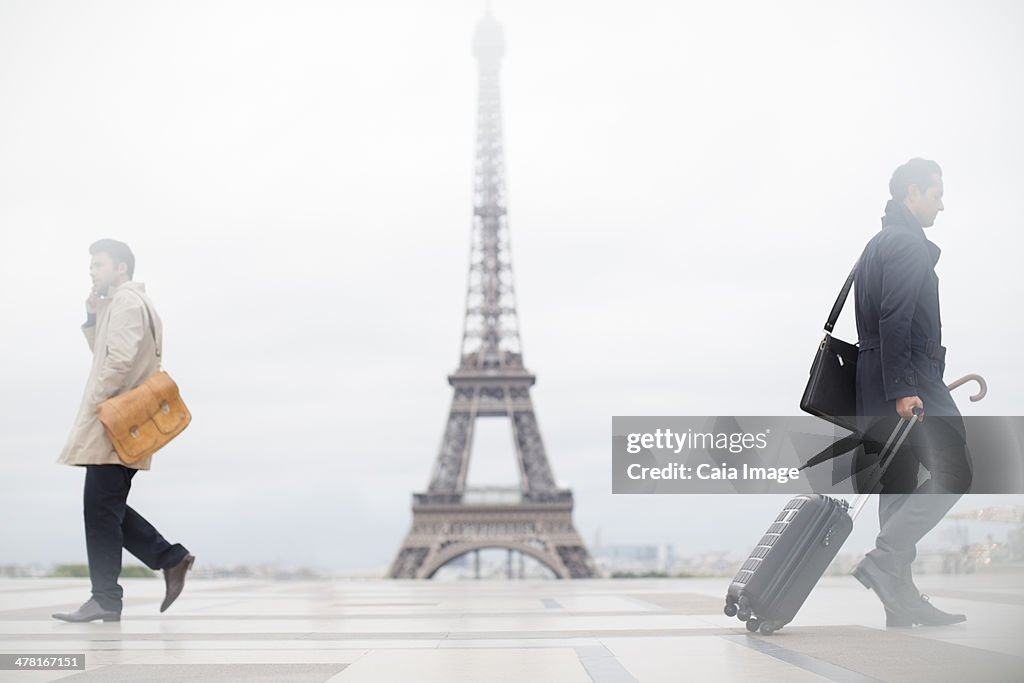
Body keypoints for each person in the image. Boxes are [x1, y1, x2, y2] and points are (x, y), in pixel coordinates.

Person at [851, 159, 972, 627]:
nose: (942, 204)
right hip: (909, 378)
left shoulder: (877, 244)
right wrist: (905, 388)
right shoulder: (905, 244)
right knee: (956, 470)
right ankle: (884, 561)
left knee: (899, 486)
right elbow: (895, 316)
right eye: (936, 194)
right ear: (912, 194)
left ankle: (898, 604)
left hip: (876, 379)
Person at [52, 239, 194, 623]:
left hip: (116, 421)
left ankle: (110, 595)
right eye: (91, 266)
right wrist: (93, 315)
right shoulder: (119, 304)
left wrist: (98, 404)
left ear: (121, 268)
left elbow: (119, 361)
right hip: (120, 421)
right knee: (104, 509)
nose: (93, 271)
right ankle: (166, 560)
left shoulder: (129, 302)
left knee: (100, 509)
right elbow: (105, 352)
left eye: (99, 264)